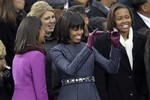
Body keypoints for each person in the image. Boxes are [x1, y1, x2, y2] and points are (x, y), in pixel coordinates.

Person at [50, 11, 121, 100]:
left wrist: (115, 46)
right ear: (65, 29)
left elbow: (112, 68)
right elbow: (70, 70)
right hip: (69, 95)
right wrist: (88, 47)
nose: (80, 32)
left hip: (92, 94)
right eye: (75, 30)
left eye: (81, 29)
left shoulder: (87, 47)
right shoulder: (56, 50)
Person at [94, 3, 149, 100]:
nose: (124, 21)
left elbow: (145, 72)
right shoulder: (102, 42)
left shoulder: (141, 40)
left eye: (127, 17)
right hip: (114, 95)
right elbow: (100, 76)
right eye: (119, 18)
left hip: (139, 95)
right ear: (112, 20)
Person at [27, 1, 59, 99]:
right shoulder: (31, 45)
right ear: (37, 22)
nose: (52, 21)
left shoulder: (59, 38)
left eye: (53, 17)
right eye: (47, 18)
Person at [12, 16, 48, 100]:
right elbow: (40, 89)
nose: (45, 33)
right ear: (36, 31)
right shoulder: (37, 55)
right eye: (43, 29)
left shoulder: (17, 56)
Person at [0, 0, 26, 99]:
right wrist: (11, 73)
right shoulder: (2, 22)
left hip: (23, 72)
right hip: (11, 79)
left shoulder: (23, 17)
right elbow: (3, 52)